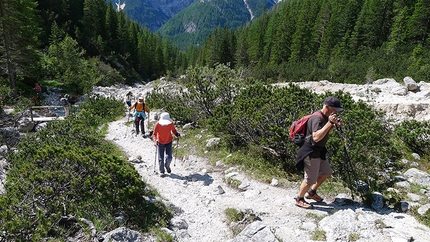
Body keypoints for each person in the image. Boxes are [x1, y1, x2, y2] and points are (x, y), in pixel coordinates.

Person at [294, 96, 344, 209]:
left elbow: (326, 132)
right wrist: (329, 123)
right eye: (334, 109)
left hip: (319, 152)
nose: (335, 112)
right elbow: (316, 137)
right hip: (310, 152)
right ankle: (299, 199)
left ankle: (311, 193)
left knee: (327, 172)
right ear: (327, 107)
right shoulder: (317, 118)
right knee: (310, 179)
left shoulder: (326, 117)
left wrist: (334, 125)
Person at [152, 112, 180, 177]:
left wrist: (177, 134)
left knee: (169, 157)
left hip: (169, 141)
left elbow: (173, 130)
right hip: (160, 142)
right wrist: (155, 141)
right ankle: (162, 171)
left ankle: (167, 165)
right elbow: (154, 134)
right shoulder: (157, 124)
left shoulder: (170, 124)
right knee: (160, 158)